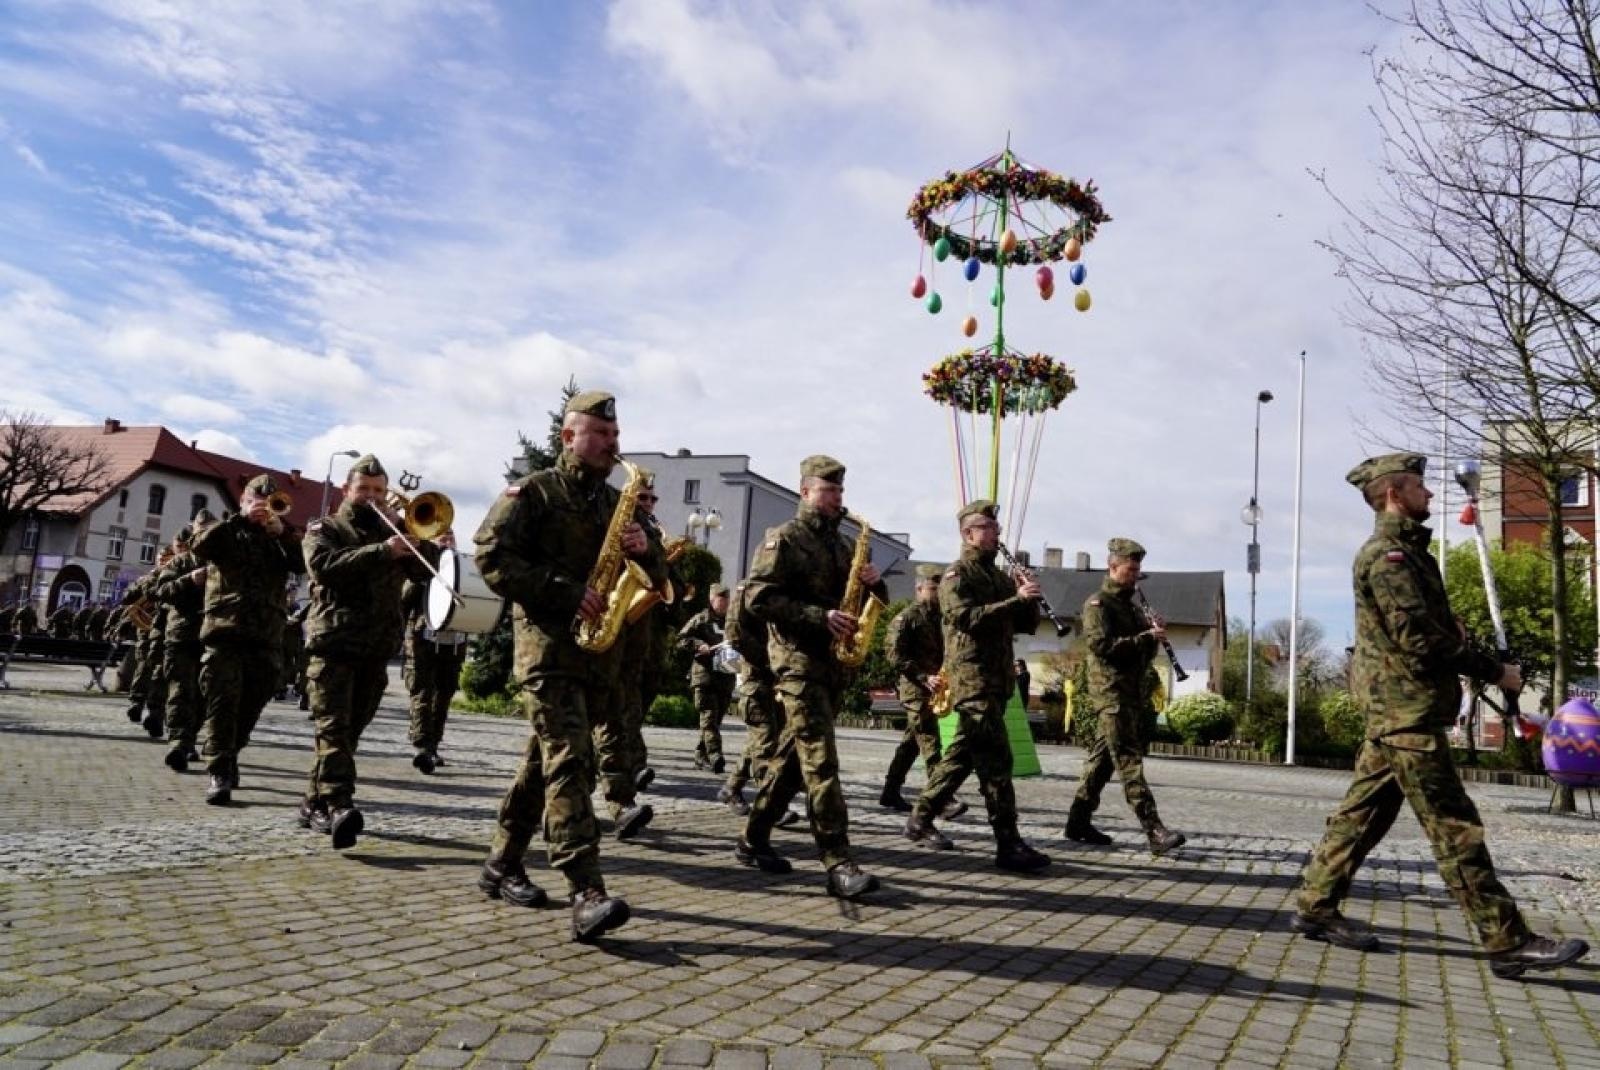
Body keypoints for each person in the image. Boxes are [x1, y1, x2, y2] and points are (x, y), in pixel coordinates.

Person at [1292, 452, 1589, 979]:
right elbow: (1417, 640)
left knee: (1362, 817)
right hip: (1405, 713)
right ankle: (1507, 940)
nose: (1428, 494)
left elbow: (1423, 630)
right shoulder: (1389, 557)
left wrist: (1454, 633)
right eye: (1418, 486)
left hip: (1399, 711)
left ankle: (1316, 903)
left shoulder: (1409, 555)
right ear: (1393, 493)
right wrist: (1494, 671)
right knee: (1455, 827)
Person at [473, 390, 666, 942]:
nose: (612, 443)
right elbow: (490, 554)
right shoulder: (535, 492)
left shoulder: (616, 502)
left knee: (543, 765)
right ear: (568, 436)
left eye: (615, 433)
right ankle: (586, 890)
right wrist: (564, 591)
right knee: (571, 760)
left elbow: (657, 575)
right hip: (547, 652)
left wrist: (644, 549)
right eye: (600, 433)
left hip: (596, 656)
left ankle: (502, 862)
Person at [733, 455, 885, 900]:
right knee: (821, 760)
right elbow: (758, 598)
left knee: (792, 763)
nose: (837, 498)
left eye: (840, 490)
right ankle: (837, 861)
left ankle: (752, 837)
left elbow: (866, 602)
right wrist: (821, 617)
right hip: (797, 663)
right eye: (828, 490)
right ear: (805, 492)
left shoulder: (845, 545)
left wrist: (874, 584)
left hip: (831, 665)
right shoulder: (784, 538)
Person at [903, 501, 1050, 872]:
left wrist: (1028, 597)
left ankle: (921, 816)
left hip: (998, 679)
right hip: (973, 679)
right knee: (998, 760)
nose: (995, 533)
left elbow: (1024, 624)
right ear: (968, 534)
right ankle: (1008, 843)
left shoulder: (999, 577)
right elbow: (963, 617)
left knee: (962, 755)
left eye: (995, 527)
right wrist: (1013, 600)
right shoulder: (957, 575)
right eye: (987, 527)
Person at [300, 455, 433, 847]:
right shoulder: (325, 527)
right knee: (333, 729)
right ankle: (340, 805)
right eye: (364, 489)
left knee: (348, 733)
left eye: (379, 490)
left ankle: (313, 801)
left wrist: (414, 536)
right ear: (347, 490)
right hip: (334, 645)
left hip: (376, 649)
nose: (372, 497)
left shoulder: (393, 531)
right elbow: (324, 566)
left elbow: (427, 572)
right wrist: (383, 551)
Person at [1063, 538, 1186, 855]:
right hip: (1110, 692)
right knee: (1129, 761)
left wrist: (1153, 637)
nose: (1134, 576)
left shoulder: (1131, 607)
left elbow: (1142, 654)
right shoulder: (1098, 604)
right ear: (1112, 567)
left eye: (1137, 570)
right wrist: (1144, 636)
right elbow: (1101, 646)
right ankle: (1154, 830)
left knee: (1102, 761)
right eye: (1129, 570)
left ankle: (1078, 821)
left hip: (1129, 692)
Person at [192, 477, 305, 806]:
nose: (264, 506)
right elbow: (200, 546)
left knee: (252, 704)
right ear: (243, 499)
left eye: (272, 501)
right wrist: (240, 519)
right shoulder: (226, 531)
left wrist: (283, 533)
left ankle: (230, 752)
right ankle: (219, 770)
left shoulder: (280, 539)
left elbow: (303, 564)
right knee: (222, 703)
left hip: (266, 635)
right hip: (225, 632)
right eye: (258, 498)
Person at [878, 564, 961, 816]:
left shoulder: (942, 618)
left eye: (939, 589)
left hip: (935, 690)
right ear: (919, 589)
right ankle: (942, 799)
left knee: (911, 744)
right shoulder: (906, 618)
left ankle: (890, 792)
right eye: (933, 589)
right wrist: (924, 677)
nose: (937, 594)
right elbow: (894, 655)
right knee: (930, 741)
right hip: (915, 689)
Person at [718, 579, 800, 828]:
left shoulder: (783, 591)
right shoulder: (747, 590)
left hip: (778, 680)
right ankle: (770, 805)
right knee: (764, 741)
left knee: (765, 739)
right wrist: (767, 659)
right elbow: (734, 635)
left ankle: (731, 788)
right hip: (757, 679)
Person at [402, 528, 469, 774]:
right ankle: (422, 746)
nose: (447, 540)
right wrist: (424, 574)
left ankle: (434, 745)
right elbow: (404, 600)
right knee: (422, 692)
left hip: (455, 642)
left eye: (451, 536)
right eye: (442, 537)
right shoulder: (421, 568)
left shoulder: (463, 569)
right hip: (423, 639)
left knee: (443, 696)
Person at [148, 515, 212, 767]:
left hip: (212, 638)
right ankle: (178, 742)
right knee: (180, 692)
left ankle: (189, 740)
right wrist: (188, 580)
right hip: (182, 637)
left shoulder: (224, 563)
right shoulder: (181, 562)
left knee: (203, 695)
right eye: (201, 532)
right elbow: (160, 591)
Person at [678, 584, 734, 773]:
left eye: (726, 599)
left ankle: (701, 755)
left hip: (726, 676)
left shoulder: (732, 621)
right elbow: (682, 639)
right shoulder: (701, 619)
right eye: (721, 599)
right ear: (712, 599)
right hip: (705, 677)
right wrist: (698, 645)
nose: (724, 603)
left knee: (715, 721)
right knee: (709, 717)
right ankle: (715, 755)